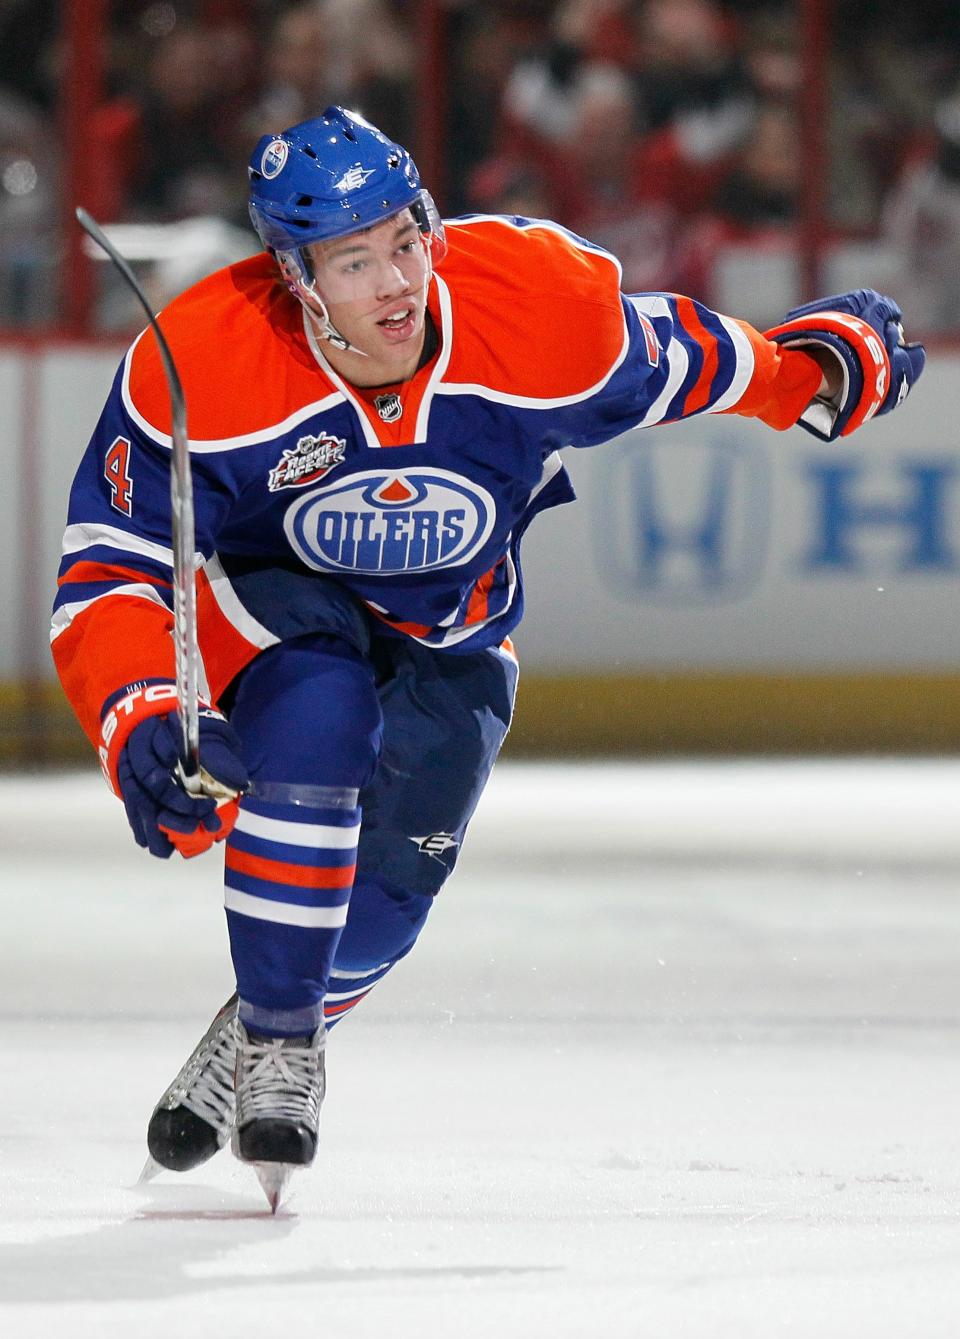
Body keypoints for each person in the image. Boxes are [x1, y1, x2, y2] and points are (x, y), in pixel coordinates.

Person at [52, 106, 925, 1210]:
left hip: (457, 626)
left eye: (405, 240)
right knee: (319, 721)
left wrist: (807, 373)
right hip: (274, 596)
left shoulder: (531, 309)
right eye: (354, 260)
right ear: (295, 277)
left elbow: (673, 358)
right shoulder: (207, 359)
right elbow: (109, 565)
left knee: (394, 894)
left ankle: (276, 1012)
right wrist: (137, 715)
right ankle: (284, 1045)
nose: (396, 283)